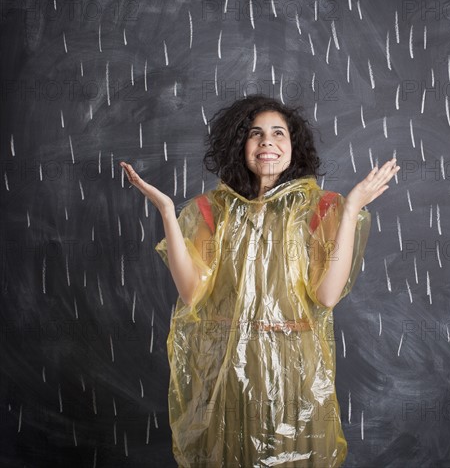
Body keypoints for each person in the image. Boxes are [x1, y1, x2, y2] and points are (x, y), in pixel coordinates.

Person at [120, 95, 399, 468]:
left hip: (293, 375)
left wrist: (350, 211)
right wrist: (168, 213)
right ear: (240, 146)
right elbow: (192, 292)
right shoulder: (209, 210)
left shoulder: (321, 210)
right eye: (256, 133)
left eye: (278, 133)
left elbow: (327, 295)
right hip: (228, 376)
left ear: (293, 146)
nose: (267, 141)